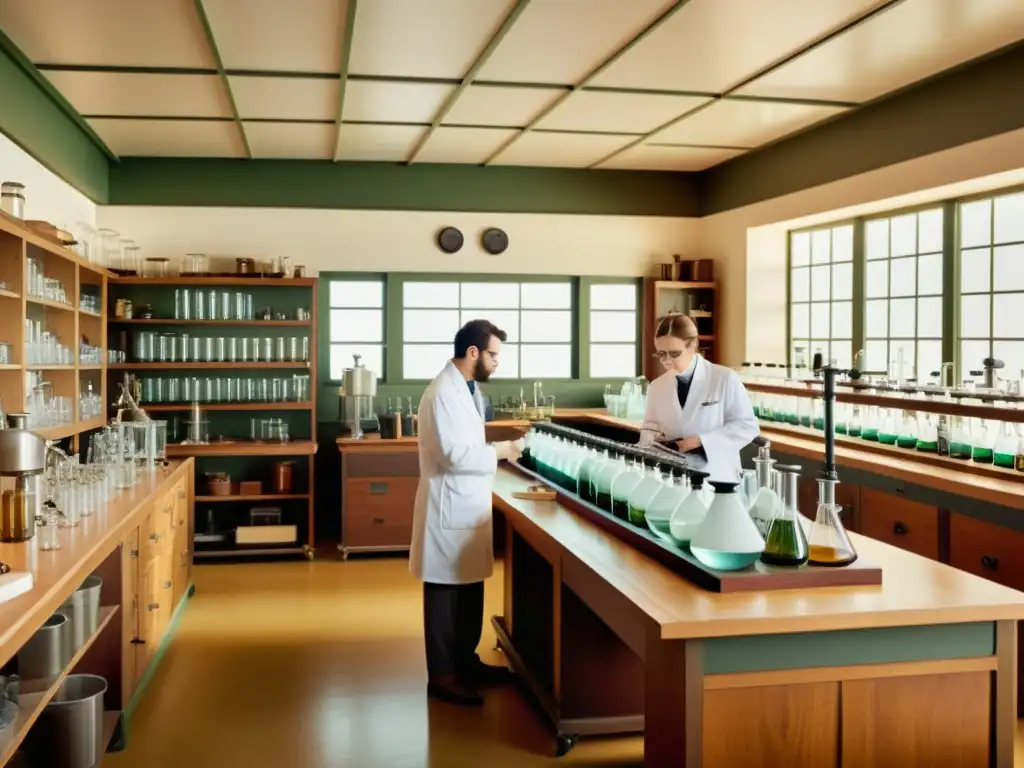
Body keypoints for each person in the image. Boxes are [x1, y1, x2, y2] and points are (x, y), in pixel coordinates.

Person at [410, 319, 525, 707]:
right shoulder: (443, 392)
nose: (497, 362)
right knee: (445, 594)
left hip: (468, 505)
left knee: (470, 587)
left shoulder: (468, 389)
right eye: (493, 355)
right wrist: (504, 451)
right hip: (448, 506)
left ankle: (466, 662)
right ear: (473, 353)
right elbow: (454, 455)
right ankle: (443, 676)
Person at [639, 313, 758, 481]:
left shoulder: (724, 378)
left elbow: (747, 426)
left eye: (674, 354)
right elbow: (649, 429)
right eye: (661, 354)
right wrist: (653, 441)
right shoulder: (657, 387)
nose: (666, 361)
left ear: (693, 345)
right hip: (672, 477)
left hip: (716, 477)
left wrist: (700, 442)